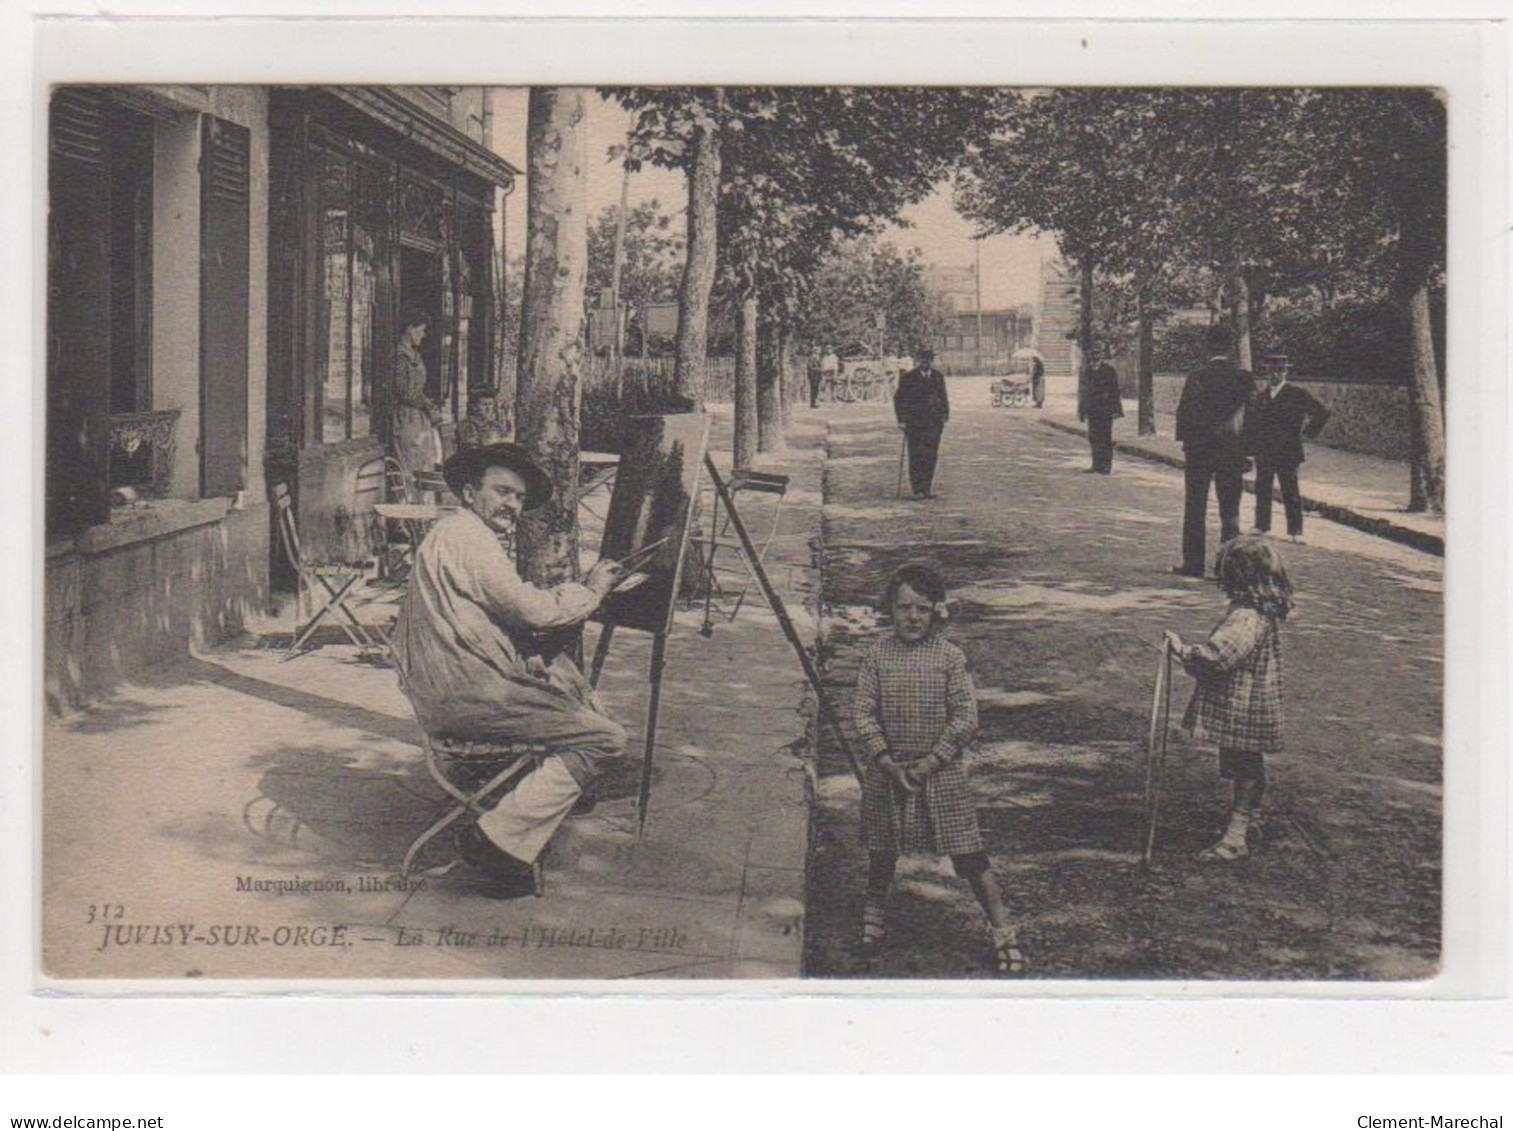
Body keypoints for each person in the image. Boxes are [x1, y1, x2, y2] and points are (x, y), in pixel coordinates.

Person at [390, 442, 627, 898]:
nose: (511, 506)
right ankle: (495, 839)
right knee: (606, 739)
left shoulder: (454, 534)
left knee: (567, 685)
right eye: (501, 492)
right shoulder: (467, 538)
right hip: (465, 695)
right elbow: (531, 610)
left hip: (452, 686)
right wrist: (590, 590)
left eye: (518, 498)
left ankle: (524, 814)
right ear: (468, 492)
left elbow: (489, 615)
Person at [852, 564, 1024, 974]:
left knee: (969, 854)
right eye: (904, 608)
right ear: (890, 610)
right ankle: (873, 913)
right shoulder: (877, 655)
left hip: (940, 774)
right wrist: (885, 760)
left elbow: (966, 717)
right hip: (889, 771)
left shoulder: (949, 658)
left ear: (936, 612)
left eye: (922, 609)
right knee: (882, 847)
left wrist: (930, 763)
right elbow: (862, 711)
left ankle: (1003, 930)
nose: (912, 618)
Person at [1163, 535, 1293, 862]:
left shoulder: (1247, 616)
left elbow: (1218, 656)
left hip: (1243, 705)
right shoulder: (1260, 610)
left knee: (1243, 764)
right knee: (1244, 763)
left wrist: (1182, 651)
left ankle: (1238, 834)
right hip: (1250, 701)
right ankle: (1247, 819)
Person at [1172, 324, 1255, 578]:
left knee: (1195, 508)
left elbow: (1184, 414)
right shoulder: (1243, 378)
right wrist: (1248, 452)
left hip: (1199, 453)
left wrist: (1187, 444)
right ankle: (1227, 567)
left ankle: (1194, 564)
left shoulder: (1197, 377)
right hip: (1232, 453)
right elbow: (1253, 418)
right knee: (1230, 511)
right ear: (1230, 348)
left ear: (1207, 348)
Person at [1246, 355, 1331, 544]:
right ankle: (1261, 526)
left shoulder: (1297, 394)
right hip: (1265, 451)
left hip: (1287, 450)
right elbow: (1253, 424)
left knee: (1290, 490)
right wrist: (1252, 450)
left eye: (1280, 370)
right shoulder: (1262, 397)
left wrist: (1306, 433)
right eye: (1272, 371)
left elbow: (1322, 412)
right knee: (1263, 489)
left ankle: (1295, 531)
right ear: (1267, 372)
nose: (1276, 374)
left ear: (1286, 372)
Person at [392, 308, 445, 493]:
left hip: (418, 419)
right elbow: (406, 392)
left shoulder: (414, 355)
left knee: (424, 466)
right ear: (409, 329)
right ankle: (413, 512)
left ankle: (423, 512)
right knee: (410, 470)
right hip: (406, 419)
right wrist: (428, 406)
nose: (423, 335)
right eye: (420, 330)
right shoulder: (399, 357)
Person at [894, 347, 950, 499]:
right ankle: (917, 489)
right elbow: (899, 399)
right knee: (916, 454)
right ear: (918, 360)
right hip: (915, 423)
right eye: (922, 359)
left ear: (931, 361)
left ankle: (926, 488)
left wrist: (945, 414)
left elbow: (943, 397)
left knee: (931, 455)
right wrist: (901, 420)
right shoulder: (909, 378)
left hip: (934, 423)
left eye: (928, 359)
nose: (925, 362)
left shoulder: (938, 377)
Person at [1079, 357, 1124, 473]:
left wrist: (1116, 410)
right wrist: (1082, 411)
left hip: (1105, 410)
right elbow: (1083, 392)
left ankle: (1106, 466)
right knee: (1094, 438)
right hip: (1092, 410)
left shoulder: (1109, 371)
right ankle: (1096, 464)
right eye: (1092, 358)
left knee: (1105, 438)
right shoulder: (1087, 371)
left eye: (1096, 358)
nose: (1093, 361)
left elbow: (1115, 391)